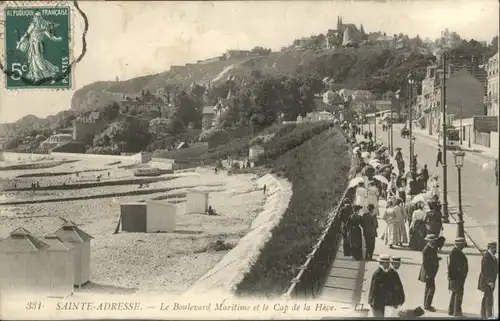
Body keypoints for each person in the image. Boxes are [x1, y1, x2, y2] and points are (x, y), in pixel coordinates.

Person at [418, 234, 441, 312]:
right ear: (429, 241)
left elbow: (433, 257)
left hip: (432, 271)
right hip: (428, 272)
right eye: (433, 240)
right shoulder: (426, 250)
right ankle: (427, 305)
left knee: (428, 288)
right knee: (431, 288)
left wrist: (437, 258)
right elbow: (425, 263)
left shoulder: (432, 247)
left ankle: (426, 304)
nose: (434, 241)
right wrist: (428, 274)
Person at [447, 237, 468, 317]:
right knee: (458, 295)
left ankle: (451, 310)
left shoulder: (455, 252)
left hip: (455, 278)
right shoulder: (455, 253)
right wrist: (460, 274)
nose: (463, 246)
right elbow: (452, 267)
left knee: (454, 293)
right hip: (457, 278)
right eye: (462, 244)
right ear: (459, 245)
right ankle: (457, 312)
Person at [478, 241, 498, 318]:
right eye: (494, 248)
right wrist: (489, 281)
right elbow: (484, 270)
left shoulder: (494, 258)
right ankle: (488, 315)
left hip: (491, 281)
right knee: (488, 298)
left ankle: (484, 314)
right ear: (490, 248)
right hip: (486, 282)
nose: (495, 250)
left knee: (487, 297)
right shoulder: (487, 257)